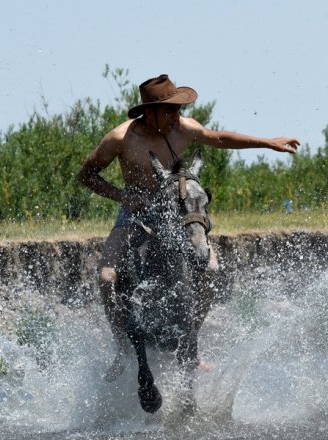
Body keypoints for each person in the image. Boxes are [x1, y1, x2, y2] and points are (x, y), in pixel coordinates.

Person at [78, 74, 300, 380]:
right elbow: (86, 175)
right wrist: (124, 196)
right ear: (149, 111)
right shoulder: (121, 138)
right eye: (169, 110)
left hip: (178, 213)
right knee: (106, 276)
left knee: (210, 271)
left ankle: (190, 350)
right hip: (136, 215)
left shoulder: (183, 128)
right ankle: (121, 350)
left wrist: (268, 143)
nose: (175, 116)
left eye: (177, 109)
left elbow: (220, 138)